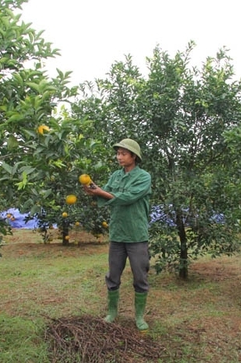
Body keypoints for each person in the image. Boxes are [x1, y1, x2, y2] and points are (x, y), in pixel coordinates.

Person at [83, 138, 152, 332]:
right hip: (117, 234)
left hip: (136, 235)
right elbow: (106, 193)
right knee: (113, 275)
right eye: (118, 153)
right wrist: (93, 191)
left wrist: (102, 193)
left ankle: (139, 316)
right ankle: (112, 312)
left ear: (133, 156)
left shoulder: (144, 177)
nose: (119, 157)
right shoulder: (115, 176)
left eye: (123, 153)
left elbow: (128, 198)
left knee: (140, 276)